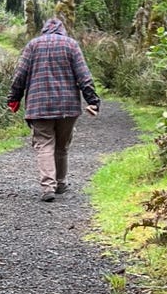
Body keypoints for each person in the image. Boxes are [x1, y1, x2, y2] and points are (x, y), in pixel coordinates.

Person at [7, 18, 100, 202]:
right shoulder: (71, 45)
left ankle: (48, 187)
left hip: (39, 105)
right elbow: (84, 75)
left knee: (44, 144)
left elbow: (20, 75)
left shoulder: (32, 45)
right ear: (62, 30)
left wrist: (14, 98)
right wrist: (93, 100)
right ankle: (61, 183)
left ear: (44, 30)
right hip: (68, 106)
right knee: (62, 146)